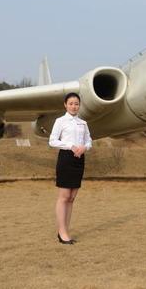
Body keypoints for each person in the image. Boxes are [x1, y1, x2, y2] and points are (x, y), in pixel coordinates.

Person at [49, 92, 92, 245]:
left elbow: (89, 141)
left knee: (72, 198)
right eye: (71, 103)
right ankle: (62, 232)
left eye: (76, 104)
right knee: (64, 196)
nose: (74, 106)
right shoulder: (60, 121)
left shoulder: (83, 123)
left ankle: (65, 230)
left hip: (79, 159)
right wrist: (70, 146)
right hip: (66, 158)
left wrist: (84, 148)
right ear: (65, 105)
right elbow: (52, 141)